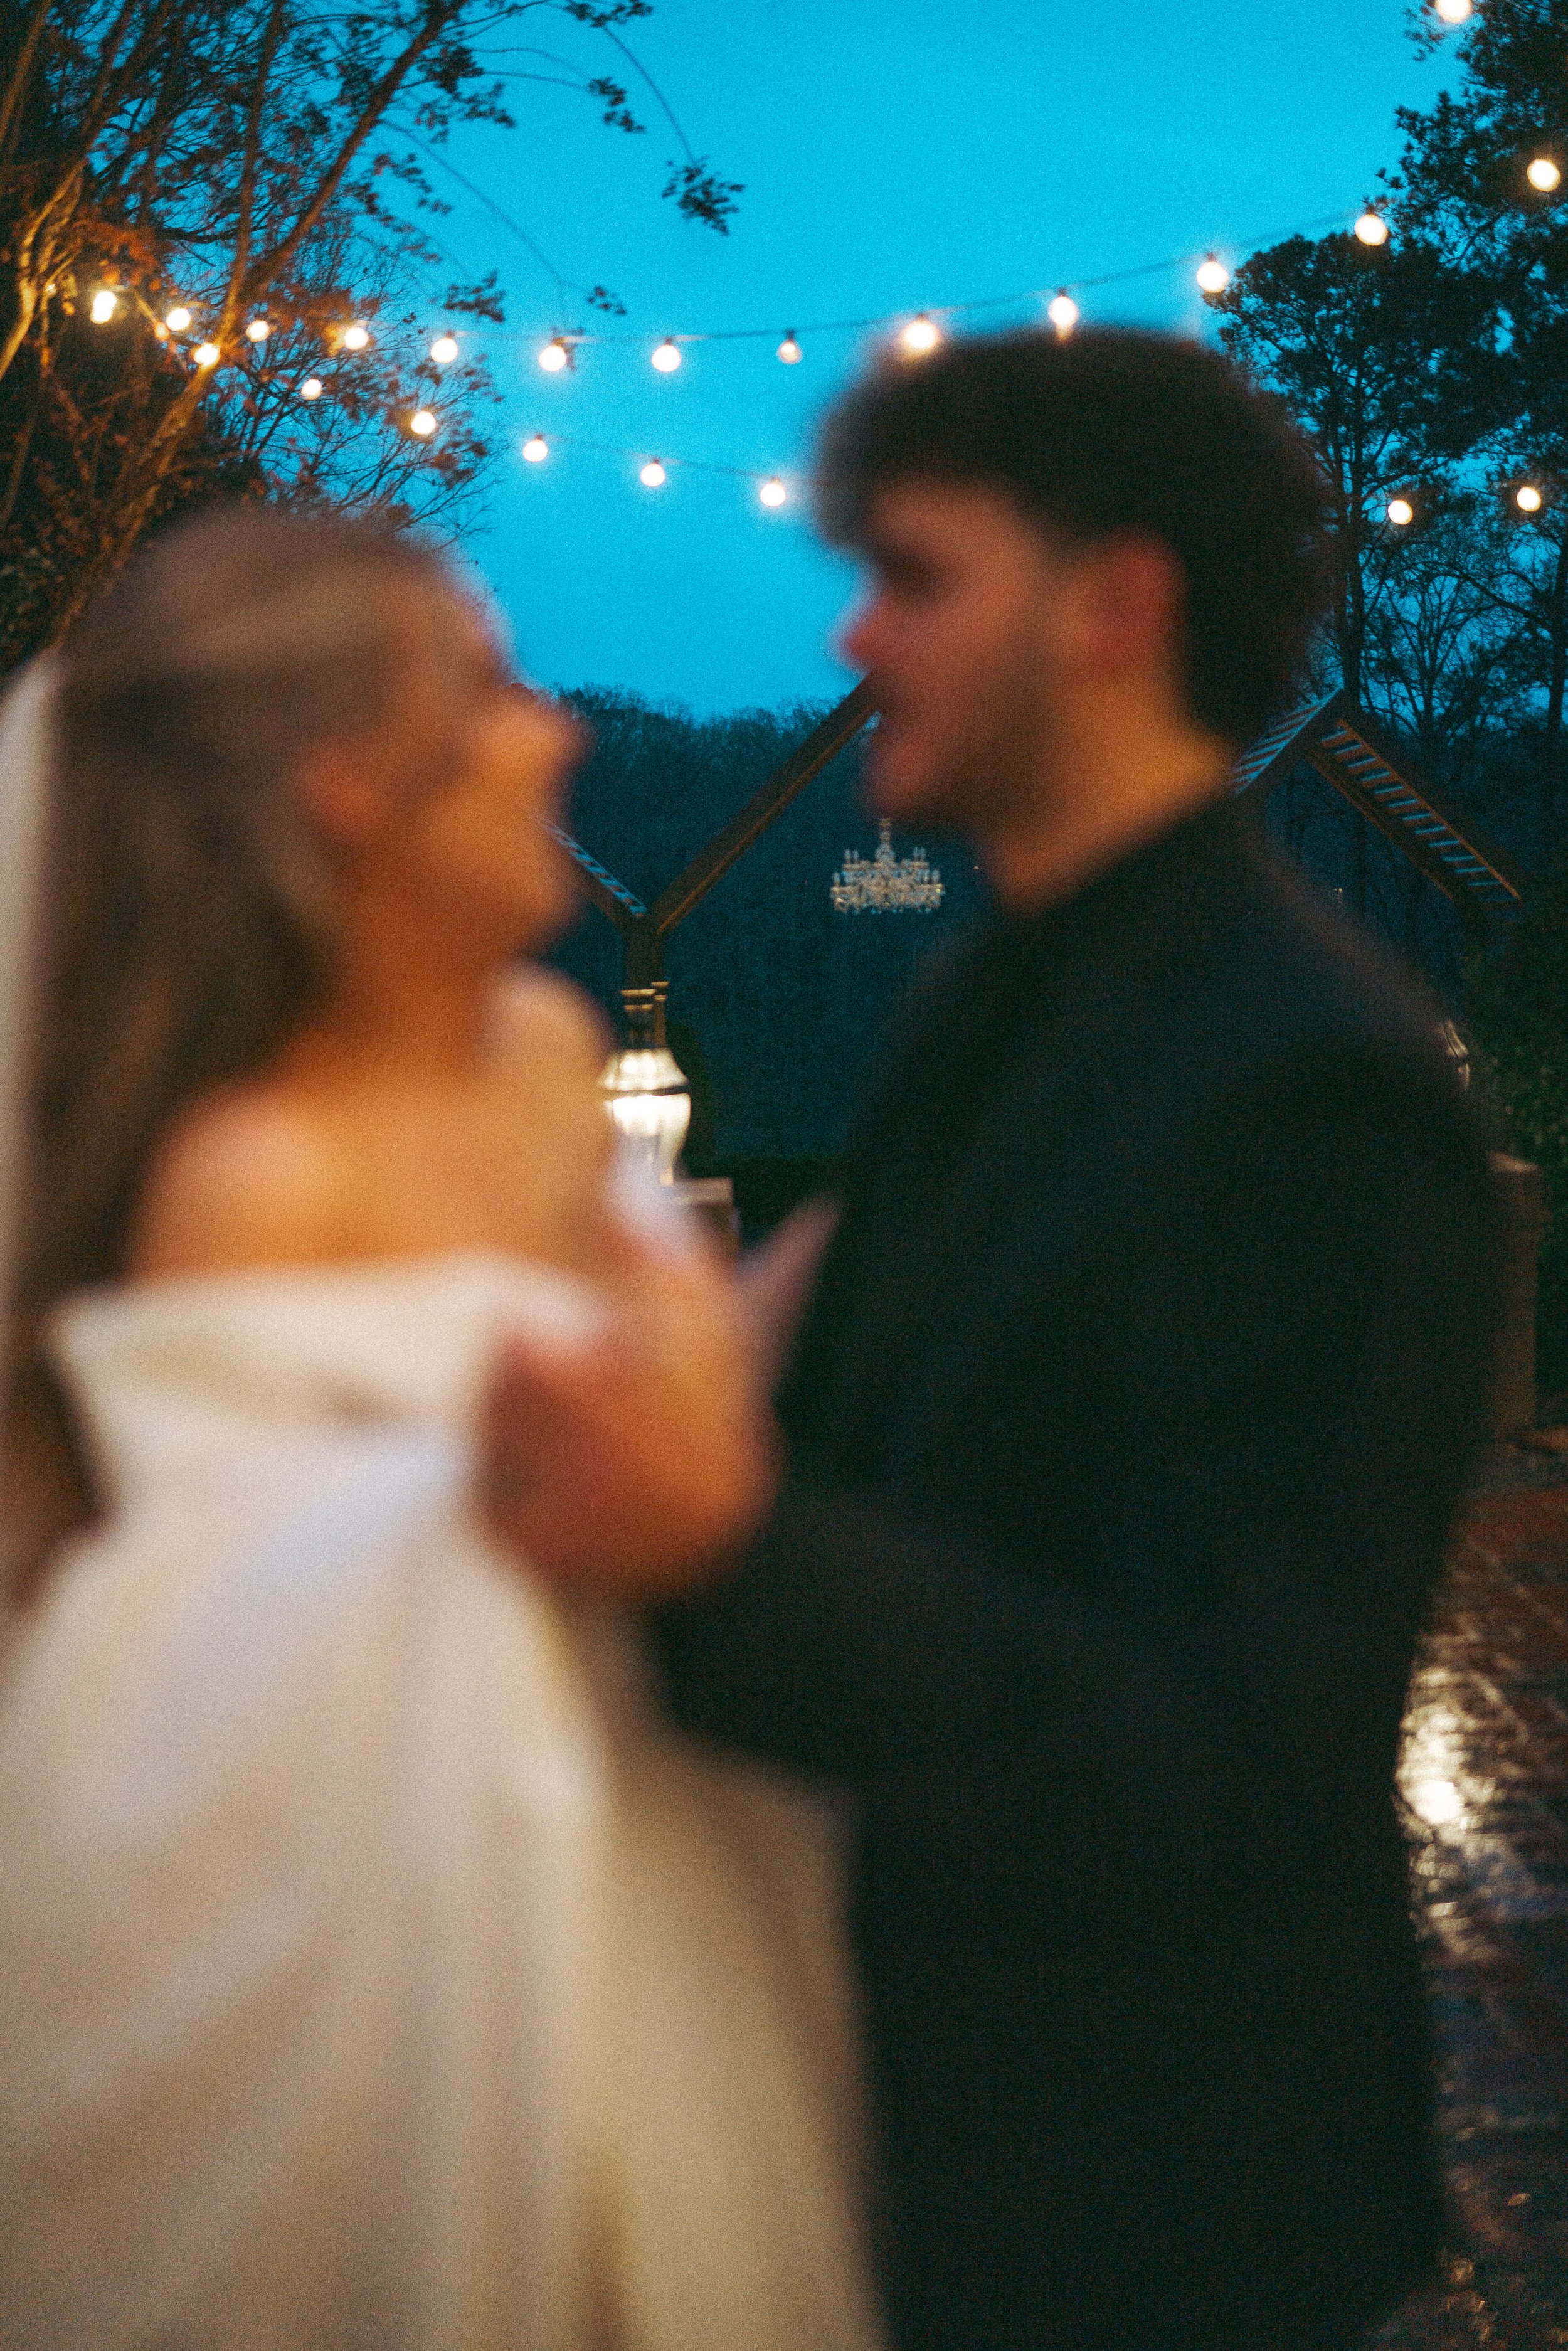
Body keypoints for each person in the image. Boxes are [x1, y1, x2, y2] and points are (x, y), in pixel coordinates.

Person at [487, 329, 1505, 2351]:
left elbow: (1219, 1748)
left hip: (1144, 2198)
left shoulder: (1313, 1082)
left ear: (1117, 605)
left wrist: (714, 1550)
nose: (860, 631)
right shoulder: (992, 995)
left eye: (921, 576)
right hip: (893, 2115)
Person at [0, 506, 884, 2351]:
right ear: (341, 784)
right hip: (363, 1911)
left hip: (666, 1844)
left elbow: (678, 1361)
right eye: (482, 694)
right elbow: (224, 1611)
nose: (555, 731)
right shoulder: (248, 1178)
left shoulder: (552, 1056)